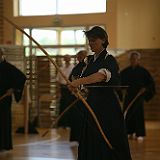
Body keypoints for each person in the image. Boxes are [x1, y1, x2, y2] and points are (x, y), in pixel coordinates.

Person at [68, 26, 132, 160]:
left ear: (103, 40)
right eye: (89, 41)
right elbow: (75, 74)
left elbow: (100, 76)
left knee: (108, 138)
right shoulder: (89, 60)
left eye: (93, 40)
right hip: (91, 105)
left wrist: (79, 82)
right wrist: (74, 86)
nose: (90, 44)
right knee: (90, 139)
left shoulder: (109, 59)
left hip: (107, 107)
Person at [120, 51, 155, 141]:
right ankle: (128, 132)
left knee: (138, 114)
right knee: (128, 114)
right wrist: (122, 90)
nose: (133, 60)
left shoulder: (143, 72)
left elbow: (150, 84)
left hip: (139, 96)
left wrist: (145, 89)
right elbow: (120, 83)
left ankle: (140, 133)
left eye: (135, 59)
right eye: (132, 59)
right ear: (130, 60)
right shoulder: (125, 72)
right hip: (128, 96)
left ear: (138, 60)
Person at [0, 48, 26, 151]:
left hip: (4, 99)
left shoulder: (8, 67)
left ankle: (3, 144)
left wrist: (13, 88)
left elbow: (21, 77)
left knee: (3, 121)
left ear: (2, 54)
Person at [68, 50, 88, 146]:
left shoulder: (89, 67)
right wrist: (73, 89)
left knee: (86, 118)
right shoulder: (76, 68)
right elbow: (70, 81)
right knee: (76, 118)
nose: (80, 58)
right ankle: (77, 138)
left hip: (87, 97)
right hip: (76, 97)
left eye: (82, 56)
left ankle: (86, 138)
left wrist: (84, 92)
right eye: (79, 57)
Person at [56, 54, 74, 128]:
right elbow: (58, 81)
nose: (66, 59)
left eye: (68, 58)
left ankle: (69, 123)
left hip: (70, 89)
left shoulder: (73, 68)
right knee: (62, 105)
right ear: (64, 59)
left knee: (69, 106)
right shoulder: (61, 68)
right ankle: (62, 124)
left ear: (70, 59)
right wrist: (58, 91)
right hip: (63, 89)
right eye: (65, 58)